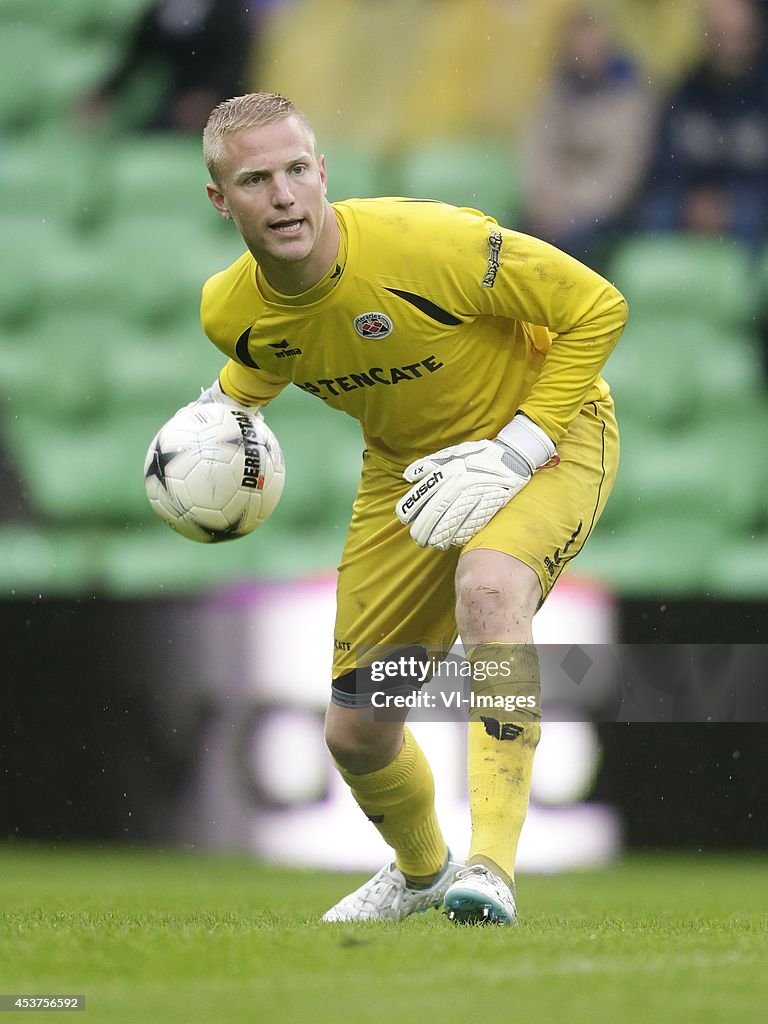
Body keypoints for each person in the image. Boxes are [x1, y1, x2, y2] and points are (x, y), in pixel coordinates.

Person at [191, 92, 626, 924]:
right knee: (357, 732)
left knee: (491, 589)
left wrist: (518, 449)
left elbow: (597, 306)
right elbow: (271, 356)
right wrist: (214, 415)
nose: (282, 196)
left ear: (321, 173)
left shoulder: (429, 244)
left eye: (294, 171)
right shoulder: (229, 311)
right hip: (410, 480)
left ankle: (492, 869)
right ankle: (424, 874)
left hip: (549, 434)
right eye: (255, 180)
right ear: (221, 200)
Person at [520, 5, 658, 270]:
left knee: (572, 255)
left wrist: (574, 207)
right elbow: (536, 151)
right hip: (552, 208)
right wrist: (547, 198)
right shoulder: (555, 91)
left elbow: (621, 174)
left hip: (602, 216)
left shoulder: (630, 97)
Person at [635, 0, 768, 251]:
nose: (730, 47)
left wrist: (728, 202)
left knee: (753, 217)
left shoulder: (762, 93)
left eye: (738, 36)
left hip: (750, 201)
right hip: (688, 198)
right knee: (654, 215)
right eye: (720, 35)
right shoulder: (686, 90)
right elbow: (664, 162)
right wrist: (694, 199)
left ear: (756, 35)